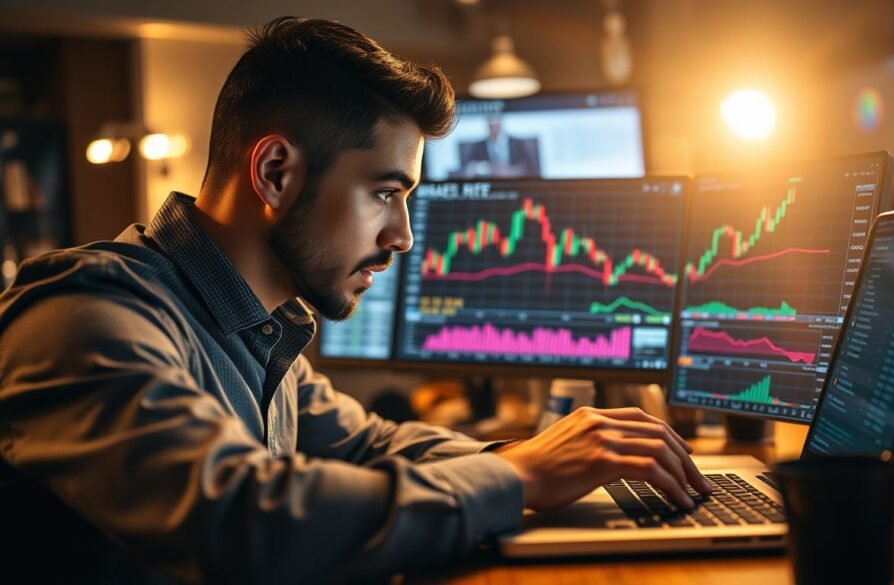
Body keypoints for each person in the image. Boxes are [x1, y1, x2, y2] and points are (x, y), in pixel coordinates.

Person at [0, 17, 709, 584]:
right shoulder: (83, 314)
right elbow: (243, 520)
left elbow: (374, 446)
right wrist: (515, 473)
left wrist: (541, 453)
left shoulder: (263, 330)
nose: (402, 236)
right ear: (275, 172)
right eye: (386, 193)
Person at [458, 114, 541, 177]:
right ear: (487, 126)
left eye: (496, 125)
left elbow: (530, 167)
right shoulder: (478, 146)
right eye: (491, 126)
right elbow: (469, 167)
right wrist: (486, 168)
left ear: (501, 124)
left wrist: (511, 171)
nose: (494, 128)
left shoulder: (518, 143)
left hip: (516, 183)